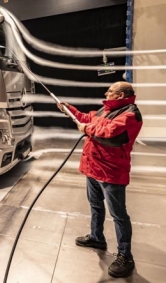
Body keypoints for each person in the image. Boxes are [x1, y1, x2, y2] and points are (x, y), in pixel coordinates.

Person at [57, 81, 142, 278]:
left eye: (110, 91)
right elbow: (88, 119)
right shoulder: (106, 110)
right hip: (93, 168)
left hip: (112, 173)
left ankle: (125, 256)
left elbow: (110, 133)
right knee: (95, 205)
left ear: (120, 95)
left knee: (119, 215)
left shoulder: (130, 115)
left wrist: (86, 129)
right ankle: (97, 237)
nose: (106, 93)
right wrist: (69, 109)